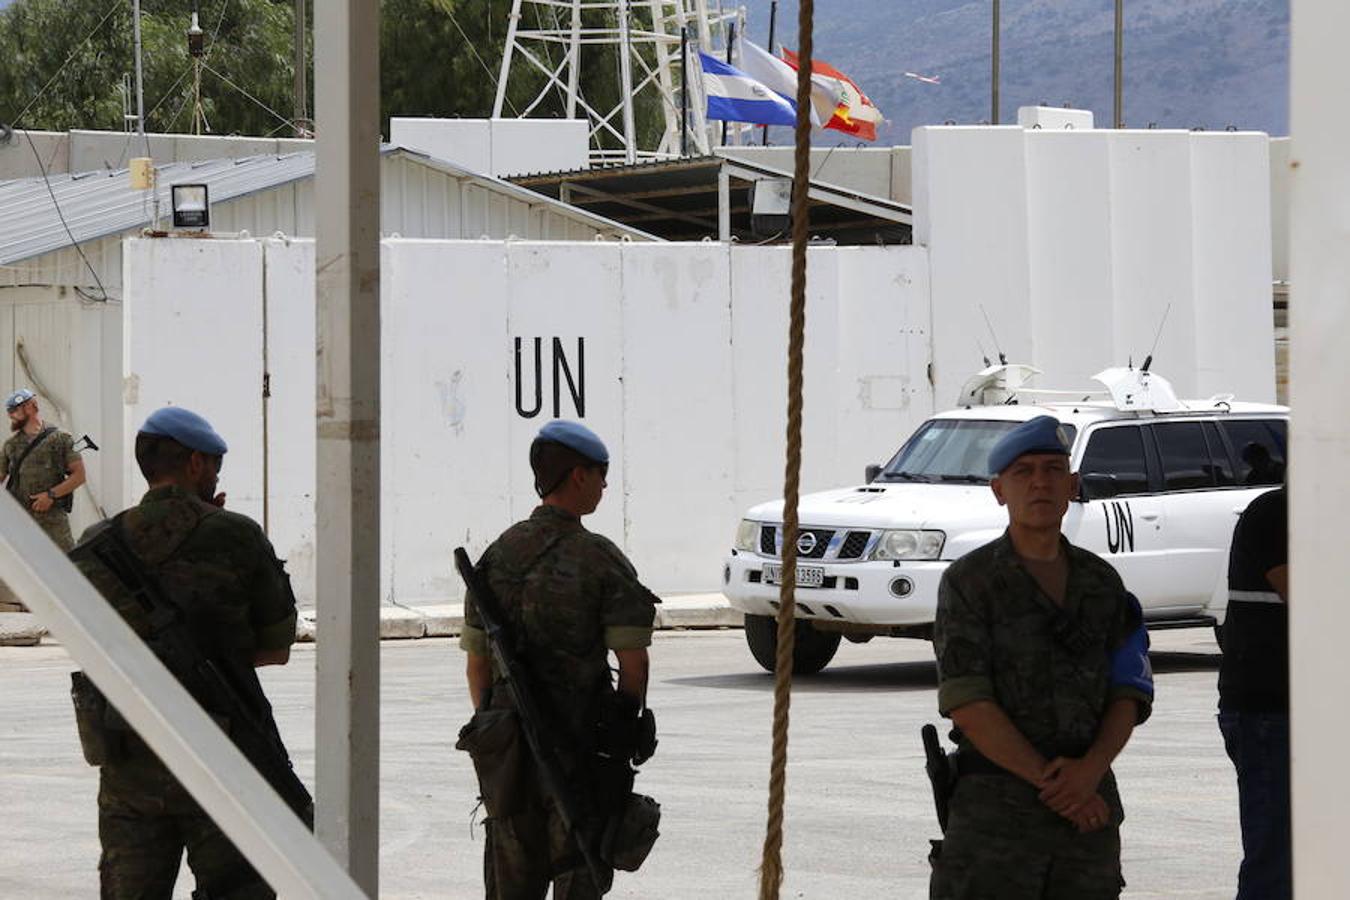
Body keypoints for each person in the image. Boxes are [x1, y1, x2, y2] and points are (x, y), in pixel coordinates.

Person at [70, 407, 300, 899]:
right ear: (196, 464)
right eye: (214, 464)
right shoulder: (235, 535)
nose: (215, 475)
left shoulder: (96, 545)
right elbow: (276, 648)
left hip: (130, 764)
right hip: (224, 759)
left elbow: (85, 646)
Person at [930, 415, 1154, 900]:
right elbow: (968, 702)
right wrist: (1060, 788)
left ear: (1072, 485)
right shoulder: (970, 583)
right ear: (998, 490)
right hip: (997, 819)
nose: (1039, 483)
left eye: (1053, 470)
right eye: (1023, 471)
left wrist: (1089, 772)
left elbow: (1129, 692)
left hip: (1087, 819)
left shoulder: (1102, 584)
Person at [460, 420, 659, 899]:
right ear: (577, 476)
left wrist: (499, 727)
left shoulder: (496, 556)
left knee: (510, 880)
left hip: (507, 752)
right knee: (579, 866)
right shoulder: (599, 558)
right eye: (601, 474)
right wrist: (622, 731)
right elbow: (634, 665)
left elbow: (477, 667)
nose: (605, 485)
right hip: (581, 749)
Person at [1217, 484, 1289, 899]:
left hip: (1305, 711)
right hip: (1270, 713)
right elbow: (1320, 600)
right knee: (1276, 863)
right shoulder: (1276, 513)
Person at [0, 388, 86, 612]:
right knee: (25, 569)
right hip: (22, 519)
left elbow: (79, 476)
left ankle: (78, 613)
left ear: (30, 406)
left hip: (53, 518)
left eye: (14, 410)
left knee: (70, 565)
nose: (10, 415)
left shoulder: (61, 439)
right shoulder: (10, 446)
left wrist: (51, 495)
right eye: (9, 411)